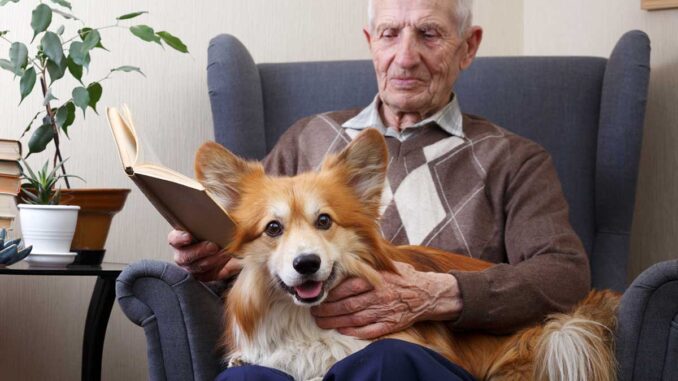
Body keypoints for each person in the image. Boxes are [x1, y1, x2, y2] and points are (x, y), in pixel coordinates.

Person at [170, 0, 590, 379]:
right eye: (390, 34)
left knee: (384, 362)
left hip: (430, 357)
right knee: (246, 380)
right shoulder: (305, 138)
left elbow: (564, 275)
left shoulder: (514, 159)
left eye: (428, 34)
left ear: (468, 47)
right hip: (296, 346)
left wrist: (441, 293)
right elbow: (252, 251)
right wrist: (210, 256)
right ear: (371, 42)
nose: (405, 58)